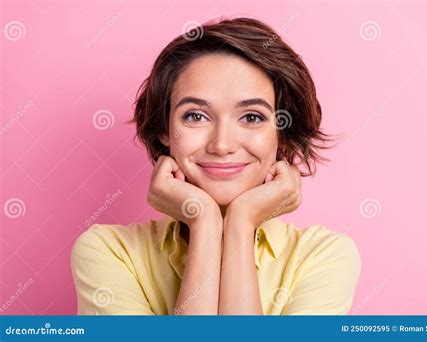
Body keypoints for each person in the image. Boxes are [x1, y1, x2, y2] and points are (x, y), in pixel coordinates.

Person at [71, 17, 361, 315]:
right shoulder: (109, 252)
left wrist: (240, 223)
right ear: (165, 129)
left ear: (282, 134)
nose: (222, 145)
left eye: (252, 117)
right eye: (196, 116)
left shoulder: (323, 257)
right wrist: (205, 224)